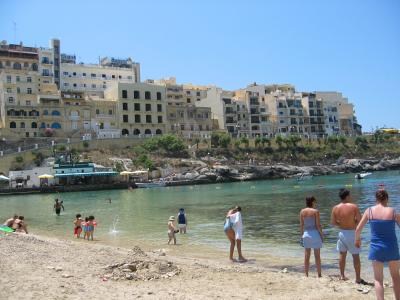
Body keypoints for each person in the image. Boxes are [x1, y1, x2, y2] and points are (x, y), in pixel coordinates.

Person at [355, 190, 400, 300]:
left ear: (376, 199)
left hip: (376, 248)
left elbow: (358, 230)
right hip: (391, 248)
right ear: (387, 199)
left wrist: (357, 240)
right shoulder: (393, 211)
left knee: (378, 279)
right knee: (395, 277)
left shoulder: (369, 211)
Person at [331, 188, 366, 284]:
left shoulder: (335, 208)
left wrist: (342, 223)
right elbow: (359, 221)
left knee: (342, 254)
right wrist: (353, 222)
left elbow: (333, 223)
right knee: (355, 256)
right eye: (349, 195)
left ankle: (342, 275)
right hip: (351, 233)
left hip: (342, 233)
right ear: (346, 196)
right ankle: (358, 278)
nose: (350, 197)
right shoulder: (353, 206)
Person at [300, 196, 323, 277]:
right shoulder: (315, 211)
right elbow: (318, 225)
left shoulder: (302, 211)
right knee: (317, 256)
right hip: (315, 234)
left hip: (306, 234)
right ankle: (319, 274)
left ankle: (306, 274)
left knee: (307, 255)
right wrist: (322, 235)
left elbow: (302, 225)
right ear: (312, 202)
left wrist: (301, 236)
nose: (315, 203)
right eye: (315, 202)